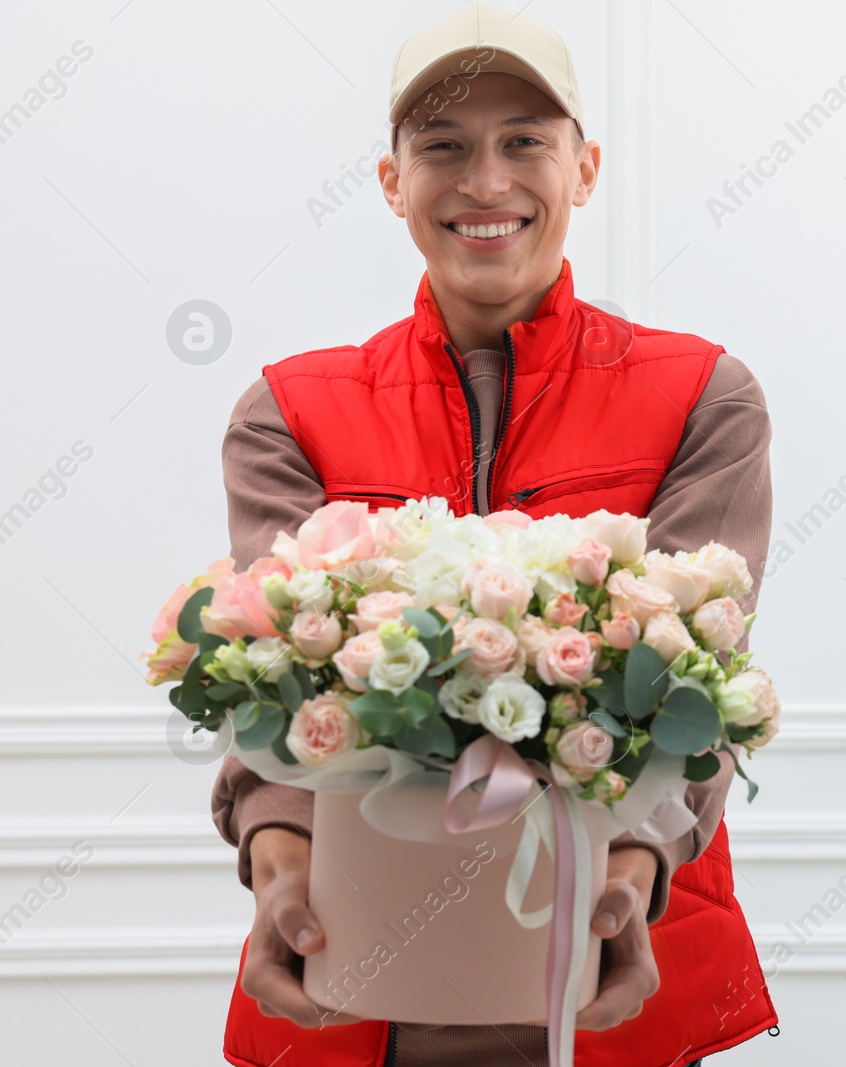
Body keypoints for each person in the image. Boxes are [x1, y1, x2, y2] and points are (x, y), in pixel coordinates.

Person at [207, 5, 778, 1065]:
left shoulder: (701, 395)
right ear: (391, 182)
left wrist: (630, 876)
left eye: (525, 141)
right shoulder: (289, 410)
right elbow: (272, 694)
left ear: (586, 167)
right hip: (362, 968)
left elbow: (700, 682)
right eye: (443, 147)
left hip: (616, 967)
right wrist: (280, 861)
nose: (485, 181)